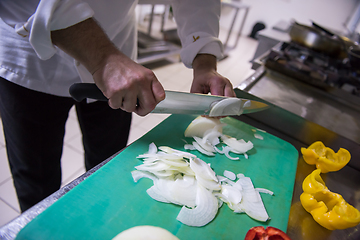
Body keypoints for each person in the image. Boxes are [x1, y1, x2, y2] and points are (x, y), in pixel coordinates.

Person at [0, 0, 235, 212]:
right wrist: (102, 58)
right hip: (28, 59)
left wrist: (204, 61)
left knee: (108, 166)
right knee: (36, 182)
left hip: (119, 54)